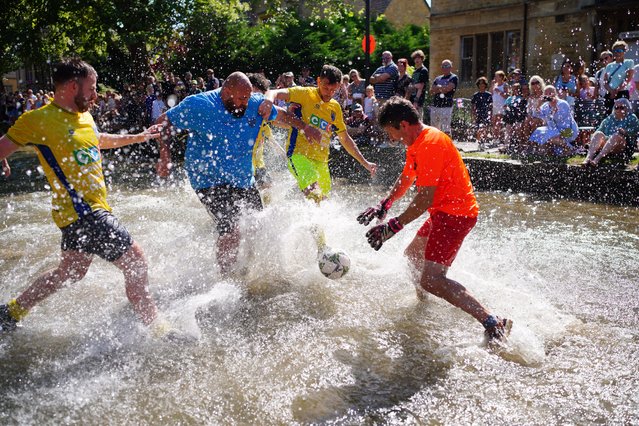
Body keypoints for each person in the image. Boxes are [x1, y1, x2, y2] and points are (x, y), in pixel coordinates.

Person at [0, 58, 164, 334]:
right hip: (84, 212)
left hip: (80, 213)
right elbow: (3, 146)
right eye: (92, 88)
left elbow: (99, 140)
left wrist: (139, 136)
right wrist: (3, 157)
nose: (95, 95)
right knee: (136, 261)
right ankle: (160, 331)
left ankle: (10, 312)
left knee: (71, 273)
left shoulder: (85, 116)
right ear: (73, 86)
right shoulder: (37, 119)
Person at [356, 96, 512, 343]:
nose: (392, 139)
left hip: (455, 215)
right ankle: (428, 305)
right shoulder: (416, 142)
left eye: (392, 133)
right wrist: (385, 204)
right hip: (444, 212)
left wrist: (394, 226)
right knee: (413, 258)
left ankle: (493, 322)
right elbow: (407, 178)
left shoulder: (430, 143)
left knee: (431, 278)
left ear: (404, 125)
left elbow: (425, 197)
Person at [155, 72, 320, 274]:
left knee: (258, 225)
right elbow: (164, 121)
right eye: (241, 98)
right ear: (226, 91)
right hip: (207, 179)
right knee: (231, 229)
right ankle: (227, 278)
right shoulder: (199, 104)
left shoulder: (254, 104)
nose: (245, 103)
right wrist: (165, 156)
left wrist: (305, 127)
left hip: (242, 178)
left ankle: (250, 270)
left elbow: (281, 114)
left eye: (248, 98)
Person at [266, 65, 377, 202]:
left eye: (333, 90)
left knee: (324, 204)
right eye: (325, 87)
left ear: (338, 87)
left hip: (322, 161)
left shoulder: (335, 107)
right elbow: (273, 92)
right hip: (299, 155)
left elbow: (345, 138)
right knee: (315, 194)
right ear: (319, 81)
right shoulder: (306, 94)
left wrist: (364, 162)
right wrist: (267, 102)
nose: (328, 93)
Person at [582, 98, 639, 167]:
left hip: (623, 147)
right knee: (598, 133)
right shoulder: (609, 118)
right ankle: (588, 158)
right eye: (616, 107)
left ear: (627, 108)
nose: (619, 110)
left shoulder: (632, 117)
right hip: (607, 145)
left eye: (621, 107)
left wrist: (625, 132)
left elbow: (636, 130)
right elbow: (599, 130)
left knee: (616, 136)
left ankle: (596, 160)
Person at [528, 85, 579, 157]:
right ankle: (548, 152)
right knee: (540, 133)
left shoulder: (563, 103)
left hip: (568, 131)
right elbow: (536, 115)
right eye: (546, 93)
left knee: (550, 138)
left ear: (555, 93)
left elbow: (561, 120)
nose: (548, 95)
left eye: (550, 92)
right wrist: (538, 104)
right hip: (554, 130)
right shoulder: (545, 105)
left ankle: (570, 148)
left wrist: (555, 107)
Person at [603, 41, 635, 115]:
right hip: (610, 94)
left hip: (622, 92)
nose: (617, 53)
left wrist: (617, 90)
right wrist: (611, 91)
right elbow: (605, 82)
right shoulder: (609, 66)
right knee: (609, 115)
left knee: (623, 114)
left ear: (624, 51)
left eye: (620, 50)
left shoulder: (629, 62)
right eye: (615, 51)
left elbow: (628, 79)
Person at [429, 59, 458, 136]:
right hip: (435, 105)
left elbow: (448, 89)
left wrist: (438, 87)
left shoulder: (453, 77)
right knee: (434, 129)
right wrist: (442, 88)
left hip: (446, 106)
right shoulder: (437, 78)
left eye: (447, 66)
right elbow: (431, 91)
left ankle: (447, 146)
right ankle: (436, 145)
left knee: (446, 128)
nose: (445, 68)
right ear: (441, 67)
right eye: (443, 66)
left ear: (451, 67)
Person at [470, 76, 492, 145]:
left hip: (486, 113)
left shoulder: (488, 95)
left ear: (485, 85)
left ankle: (484, 141)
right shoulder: (476, 95)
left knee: (485, 128)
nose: (481, 85)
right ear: (478, 85)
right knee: (478, 129)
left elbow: (490, 106)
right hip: (478, 113)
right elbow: (473, 106)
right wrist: (473, 115)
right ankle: (479, 141)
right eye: (480, 84)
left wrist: (490, 114)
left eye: (483, 84)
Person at [409, 49, 429, 120]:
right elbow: (412, 86)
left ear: (422, 59)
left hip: (418, 100)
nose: (417, 60)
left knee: (418, 120)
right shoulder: (415, 72)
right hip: (412, 99)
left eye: (418, 58)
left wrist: (416, 101)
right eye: (415, 58)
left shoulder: (423, 70)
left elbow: (420, 87)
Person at [490, 70, 509, 143]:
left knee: (499, 122)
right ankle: (495, 138)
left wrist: (499, 91)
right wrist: (492, 85)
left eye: (496, 76)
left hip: (502, 105)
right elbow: (491, 93)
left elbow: (507, 96)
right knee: (494, 122)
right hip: (495, 106)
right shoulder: (495, 85)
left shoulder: (504, 85)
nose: (495, 77)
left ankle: (499, 138)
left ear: (501, 77)